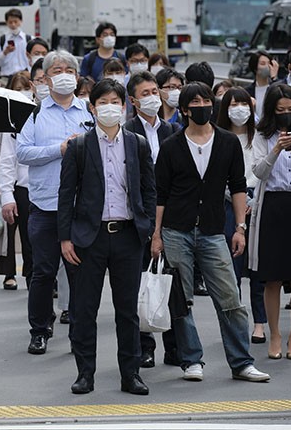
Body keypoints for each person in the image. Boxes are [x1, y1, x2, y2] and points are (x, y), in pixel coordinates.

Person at [151, 82, 270, 383]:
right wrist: (156, 234)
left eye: (207, 100)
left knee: (230, 296)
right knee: (182, 298)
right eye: (196, 101)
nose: (202, 105)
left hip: (214, 230)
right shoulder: (171, 145)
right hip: (176, 230)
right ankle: (191, 359)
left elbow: (238, 186)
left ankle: (241, 361)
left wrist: (240, 227)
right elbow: (160, 194)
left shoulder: (228, 142)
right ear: (184, 109)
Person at [58, 78, 155, 396]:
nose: (109, 107)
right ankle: (85, 373)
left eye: (115, 101)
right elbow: (66, 194)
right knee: (85, 309)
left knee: (127, 310)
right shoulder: (79, 146)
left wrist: (149, 227)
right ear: (92, 107)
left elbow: (149, 190)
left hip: (128, 235)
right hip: (90, 237)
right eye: (103, 102)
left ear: (125, 106)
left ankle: (131, 374)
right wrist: (65, 237)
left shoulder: (137, 143)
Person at [17, 50, 94, 355]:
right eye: (57, 70)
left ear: (77, 76)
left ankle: (79, 330)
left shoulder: (89, 111)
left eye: (69, 70)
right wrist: (59, 149)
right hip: (45, 205)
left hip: (80, 206)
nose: (63, 75)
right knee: (43, 271)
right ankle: (39, 330)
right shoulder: (34, 113)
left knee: (80, 273)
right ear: (46, 78)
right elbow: (23, 153)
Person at [249, 84, 291, 360]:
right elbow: (258, 172)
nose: (287, 115)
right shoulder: (262, 137)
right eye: (281, 111)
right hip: (273, 207)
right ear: (271, 112)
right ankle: (275, 334)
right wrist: (276, 148)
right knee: (272, 278)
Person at [123, 70, 179, 368]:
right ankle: (145, 346)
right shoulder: (127, 132)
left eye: (155, 91)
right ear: (133, 100)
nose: (153, 98)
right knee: (143, 282)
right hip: (140, 216)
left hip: (172, 215)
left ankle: (174, 346)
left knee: (172, 282)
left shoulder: (172, 130)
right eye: (145, 94)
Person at [215, 87, 267, 345]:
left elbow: (265, 168)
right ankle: (235, 324)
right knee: (231, 270)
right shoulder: (219, 137)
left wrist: (251, 200)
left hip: (257, 201)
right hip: (227, 203)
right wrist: (237, 199)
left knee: (258, 268)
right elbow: (216, 174)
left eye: (244, 103)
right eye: (234, 104)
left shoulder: (260, 135)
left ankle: (259, 322)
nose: (240, 109)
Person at [0, 72, 32, 290]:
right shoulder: (6, 115)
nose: (22, 92)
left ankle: (31, 271)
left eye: (26, 87)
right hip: (11, 182)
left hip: (31, 184)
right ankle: (9, 272)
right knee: (8, 231)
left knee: (30, 233)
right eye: (18, 88)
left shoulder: (38, 113)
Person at [0, 8, 30, 78]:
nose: (13, 25)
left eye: (15, 22)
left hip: (24, 77)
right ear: (6, 23)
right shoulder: (0, 40)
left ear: (21, 21)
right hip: (6, 77)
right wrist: (4, 53)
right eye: (10, 22)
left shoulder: (29, 39)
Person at [244, 51, 280, 120]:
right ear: (255, 68)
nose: (267, 66)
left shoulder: (276, 86)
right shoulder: (247, 91)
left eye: (269, 63)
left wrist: (274, 78)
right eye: (263, 64)